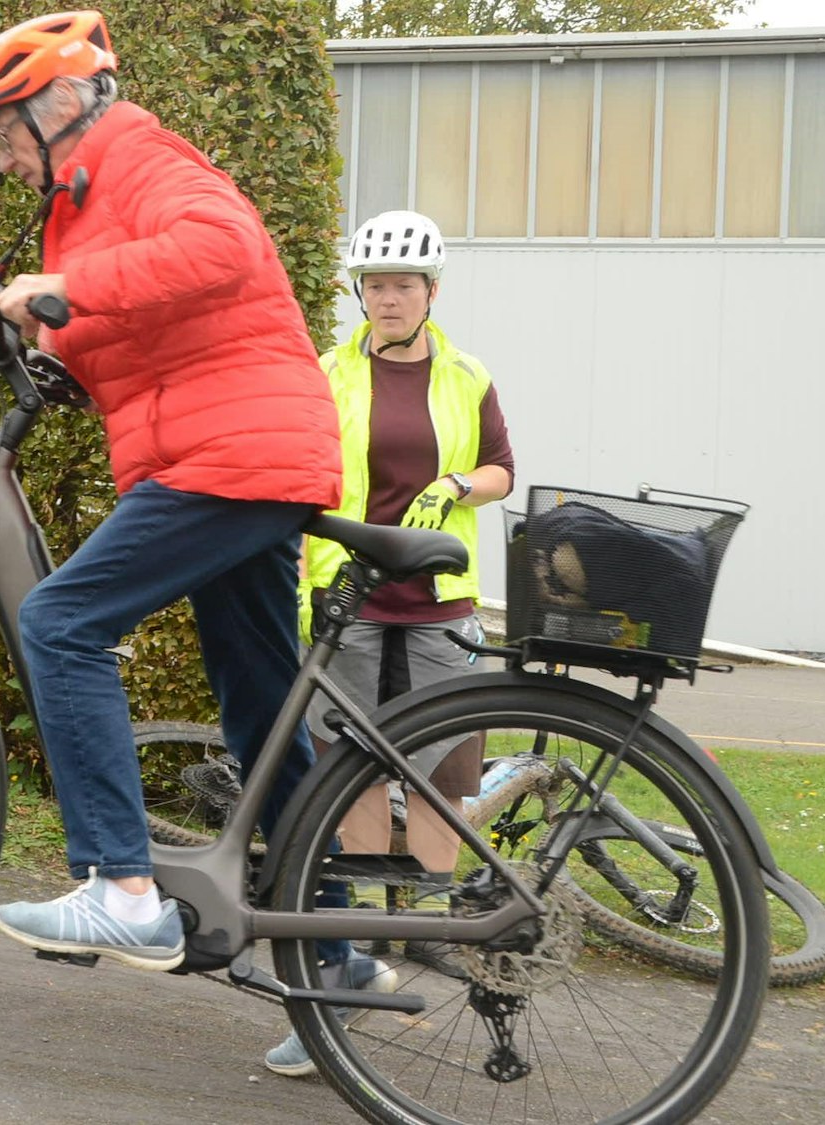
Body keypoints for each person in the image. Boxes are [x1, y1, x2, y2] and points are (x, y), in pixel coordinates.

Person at [0, 10, 392, 1004]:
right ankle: (334, 962)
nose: (4, 156)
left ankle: (121, 883)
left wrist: (64, 290)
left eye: (7, 130)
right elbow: (137, 320)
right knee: (258, 705)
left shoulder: (140, 158)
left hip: (232, 455)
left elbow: (220, 250)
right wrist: (43, 343)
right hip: (236, 453)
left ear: (61, 102)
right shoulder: (82, 201)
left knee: (58, 622)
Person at [260, 209, 517, 1077]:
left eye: (404, 284)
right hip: (351, 600)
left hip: (439, 601)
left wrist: (455, 484)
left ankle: (433, 935)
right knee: (349, 768)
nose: (390, 297)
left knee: (446, 773)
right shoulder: (328, 371)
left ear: (430, 292)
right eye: (376, 285)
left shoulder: (467, 374)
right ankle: (360, 938)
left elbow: (502, 470)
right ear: (360, 293)